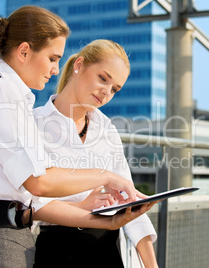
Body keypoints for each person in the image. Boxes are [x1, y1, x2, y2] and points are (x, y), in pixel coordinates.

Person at [0, 6, 152, 268]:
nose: (56, 69)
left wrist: (110, 222)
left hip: (15, 241)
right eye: (52, 58)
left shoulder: (12, 98)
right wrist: (106, 176)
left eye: (115, 88)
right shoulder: (0, 95)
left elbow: (36, 195)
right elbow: (40, 184)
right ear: (24, 52)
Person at [32, 39, 158, 268]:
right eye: (103, 78)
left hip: (106, 252)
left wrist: (152, 266)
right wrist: (82, 206)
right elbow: (31, 205)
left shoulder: (107, 129)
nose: (106, 92)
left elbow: (128, 201)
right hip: (57, 251)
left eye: (115, 89)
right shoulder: (35, 124)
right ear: (79, 65)